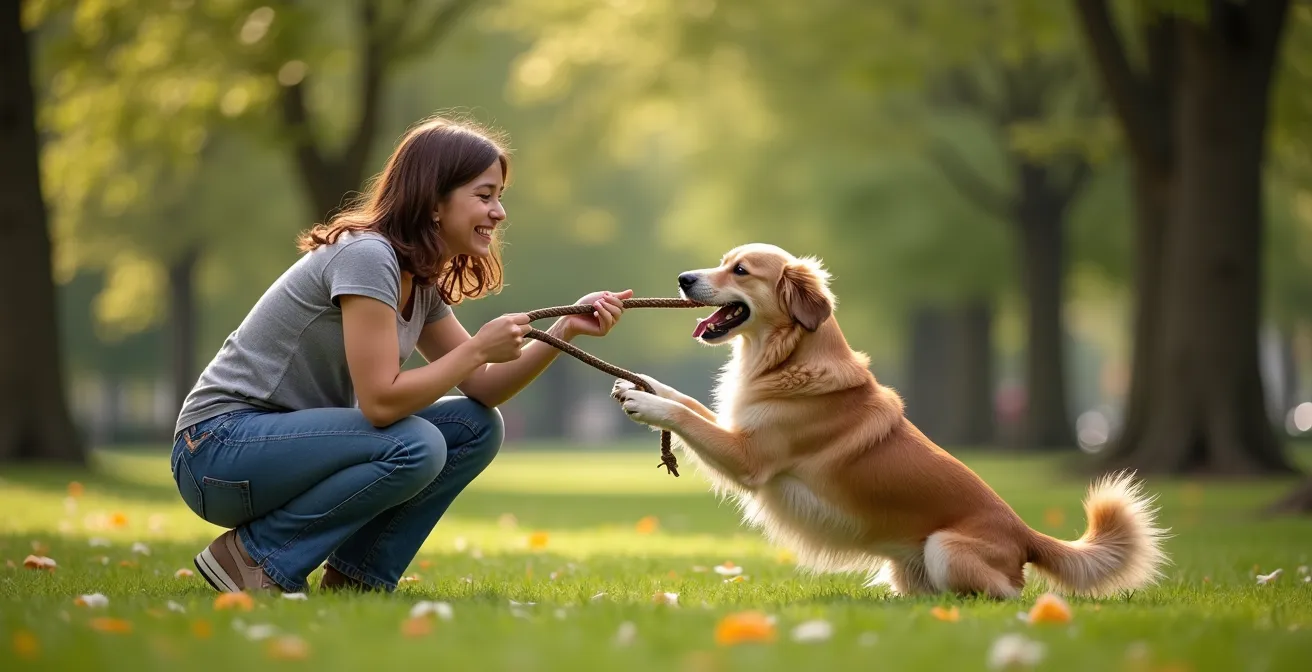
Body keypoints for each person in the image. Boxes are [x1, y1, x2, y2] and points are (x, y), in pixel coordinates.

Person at [170, 117, 632, 594]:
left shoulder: (419, 278)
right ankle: (253, 559)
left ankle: (358, 577)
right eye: (485, 195)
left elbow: (485, 387)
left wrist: (564, 330)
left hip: (273, 455)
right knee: (417, 444)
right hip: (215, 453)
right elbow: (381, 402)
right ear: (435, 202)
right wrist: (476, 349)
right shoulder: (368, 256)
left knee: (476, 428)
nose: (499, 213)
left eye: (499, 197)